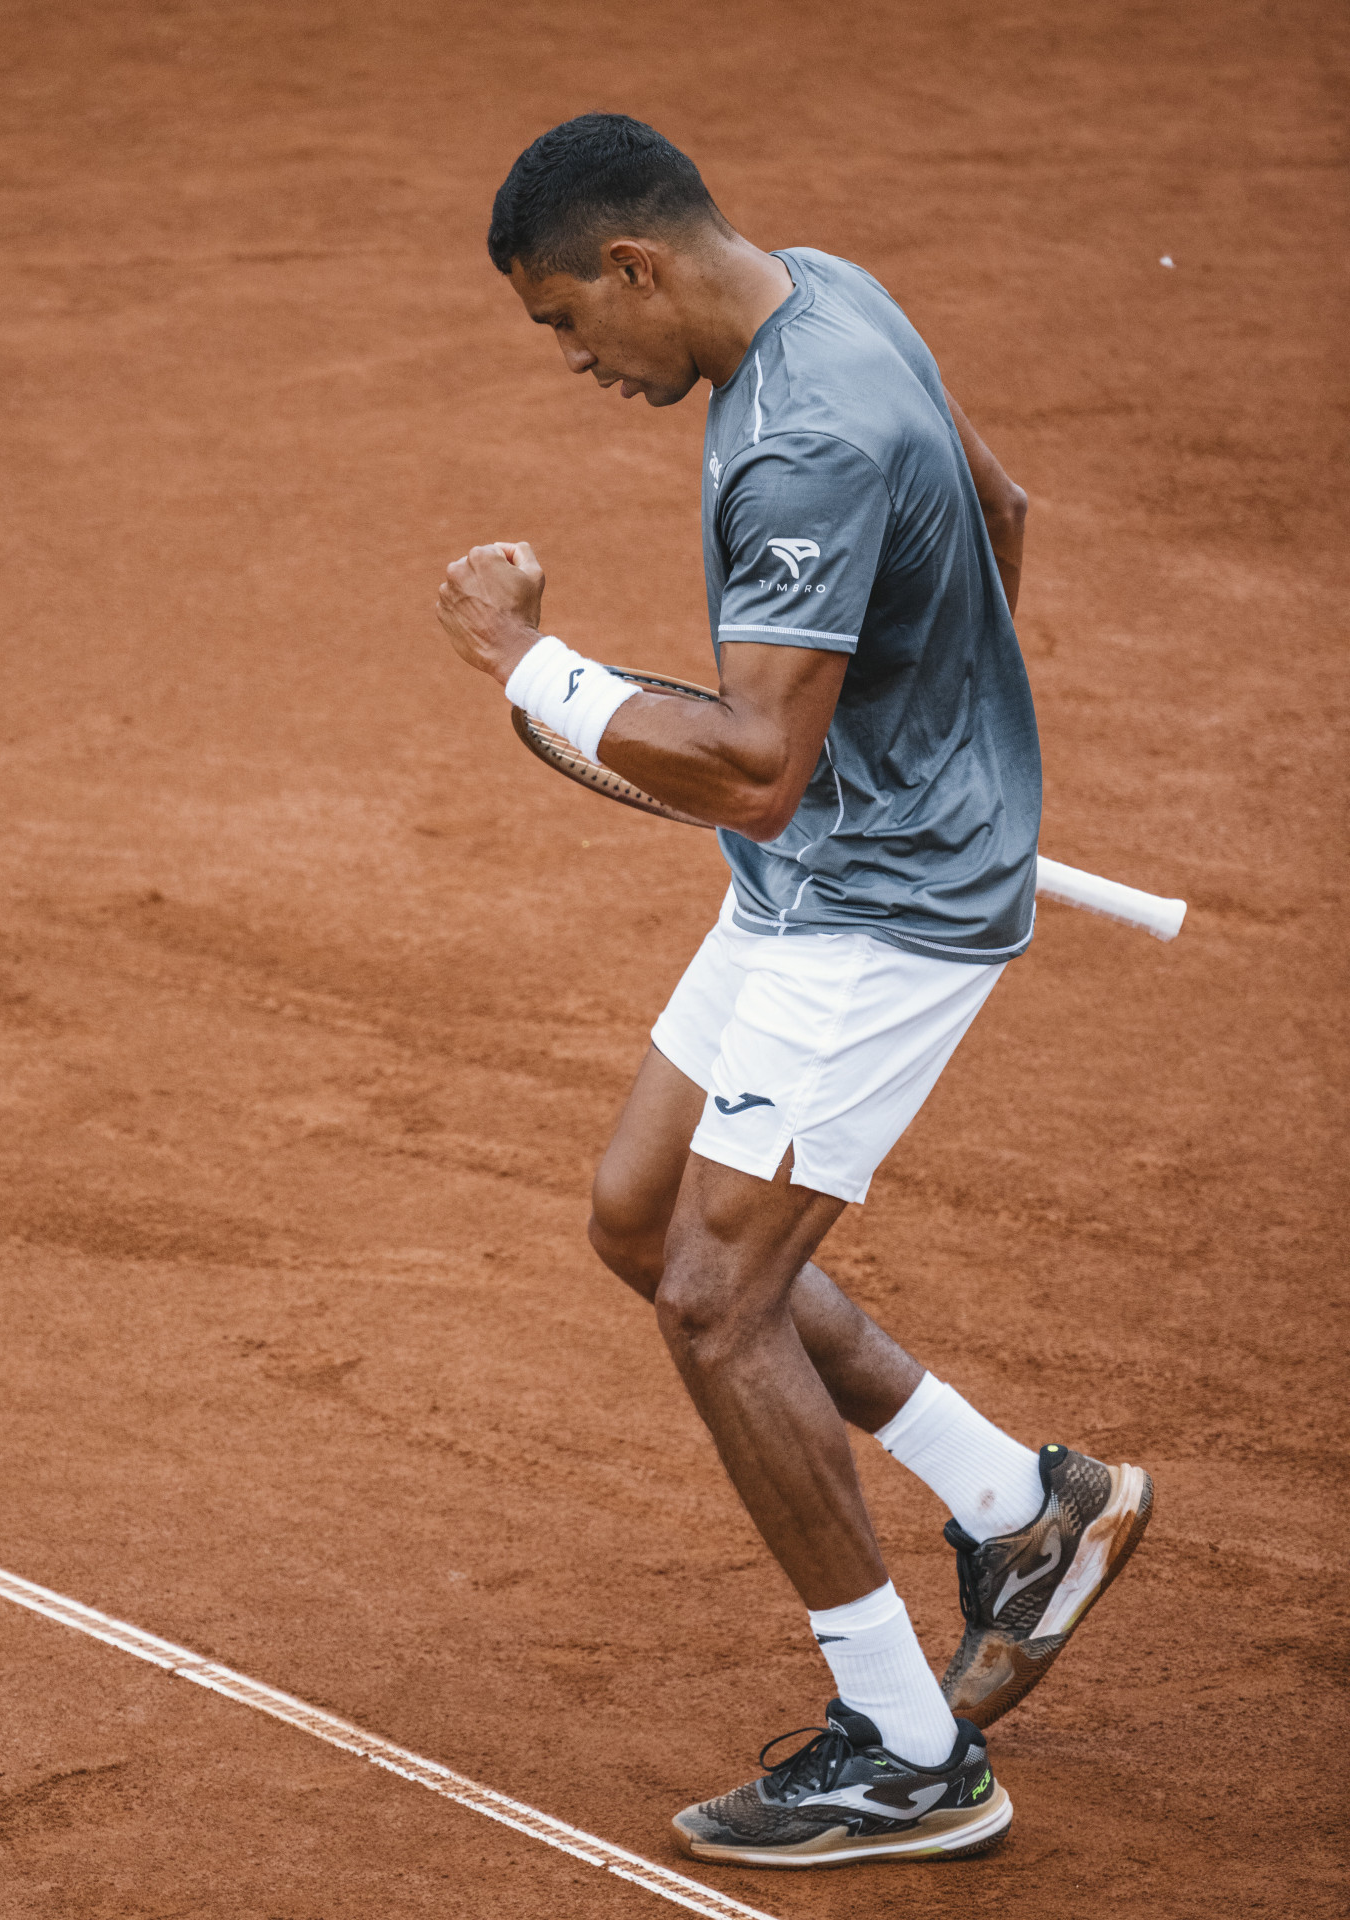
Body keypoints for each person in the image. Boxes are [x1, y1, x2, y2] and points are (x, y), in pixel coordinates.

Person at [435, 113, 1152, 1871]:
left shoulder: (804, 436)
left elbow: (752, 761)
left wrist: (531, 663)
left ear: (632, 268)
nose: (576, 363)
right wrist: (940, 742)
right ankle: (1023, 1506)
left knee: (714, 1301)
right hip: (833, 862)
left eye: (561, 323)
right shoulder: (829, 290)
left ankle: (910, 1754)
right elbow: (1001, 508)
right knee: (640, 1217)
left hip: (878, 911)